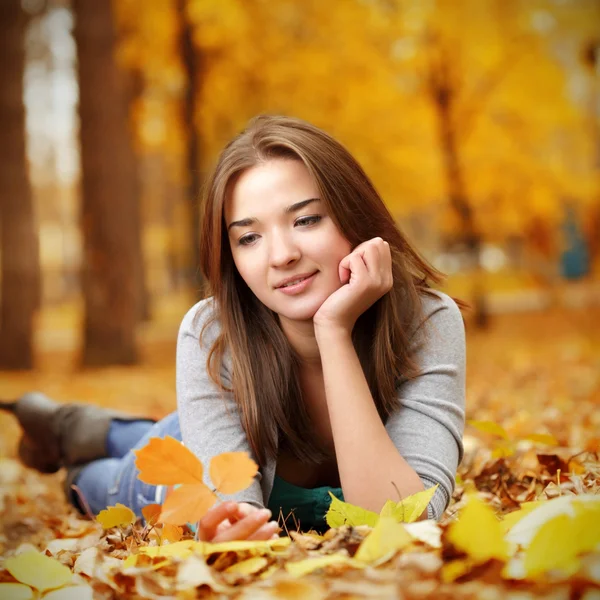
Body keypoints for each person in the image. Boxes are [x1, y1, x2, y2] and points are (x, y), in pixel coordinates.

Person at [3, 115, 467, 542]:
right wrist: (230, 529)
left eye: (306, 219)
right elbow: (233, 516)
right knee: (98, 481)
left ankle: (83, 425)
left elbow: (403, 521)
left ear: (355, 216)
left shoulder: (427, 322)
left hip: (203, 425)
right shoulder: (213, 331)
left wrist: (333, 333)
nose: (281, 254)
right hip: (184, 459)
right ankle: (72, 437)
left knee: (164, 429)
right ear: (231, 257)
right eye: (249, 237)